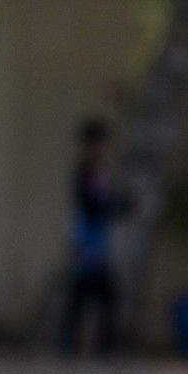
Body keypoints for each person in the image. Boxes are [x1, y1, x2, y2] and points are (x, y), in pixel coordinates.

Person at [60, 118, 130, 356]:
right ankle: (79, 343)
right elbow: (93, 206)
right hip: (86, 245)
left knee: (97, 294)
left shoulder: (100, 173)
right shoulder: (85, 173)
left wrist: (119, 206)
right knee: (88, 293)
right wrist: (115, 207)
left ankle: (95, 345)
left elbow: (105, 204)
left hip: (98, 244)